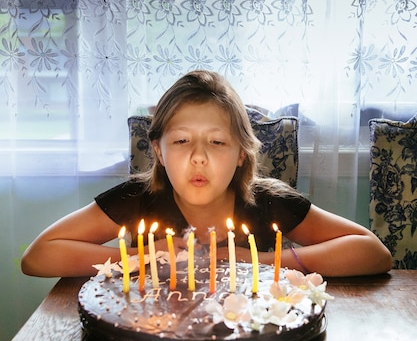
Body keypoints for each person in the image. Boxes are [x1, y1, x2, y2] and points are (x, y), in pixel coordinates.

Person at [21, 70, 392, 279]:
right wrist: (143, 255)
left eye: (216, 143)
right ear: (158, 152)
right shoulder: (138, 199)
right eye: (182, 141)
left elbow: (373, 253)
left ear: (242, 155)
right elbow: (38, 257)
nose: (198, 158)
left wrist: (251, 260)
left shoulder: (267, 202)